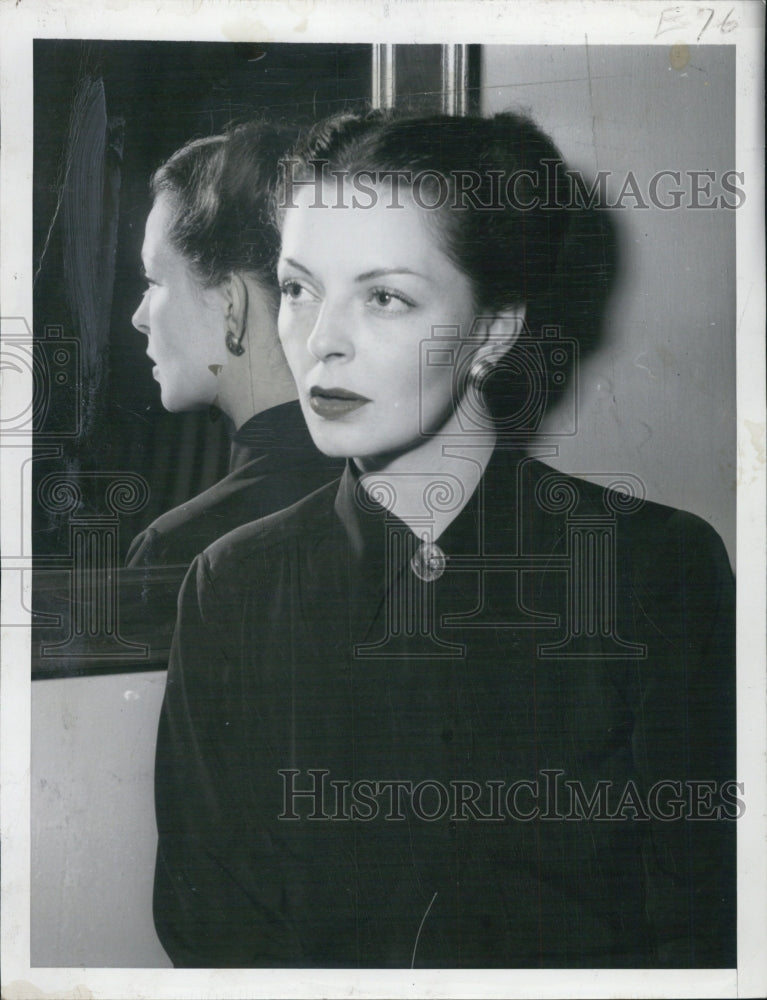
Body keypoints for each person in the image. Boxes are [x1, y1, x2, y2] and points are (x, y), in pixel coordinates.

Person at [153, 110, 736, 968]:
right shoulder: (231, 587)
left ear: (493, 331)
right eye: (298, 288)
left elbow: (706, 918)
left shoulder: (655, 569)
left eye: (384, 297)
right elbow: (210, 928)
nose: (320, 344)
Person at [126, 122, 341, 568]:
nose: (139, 317)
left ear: (231, 305)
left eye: (153, 281)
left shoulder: (177, 550)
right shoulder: (379, 489)